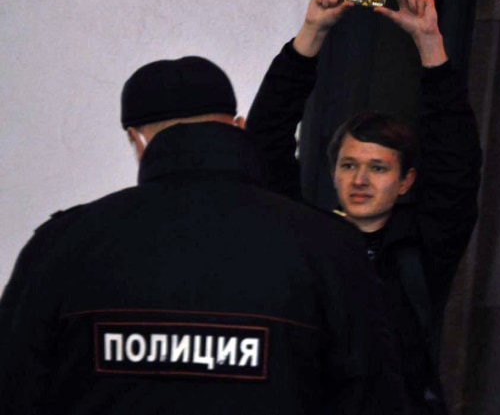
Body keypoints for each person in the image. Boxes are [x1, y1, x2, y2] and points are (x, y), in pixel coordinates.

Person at [0, 56, 403, 414]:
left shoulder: (63, 244)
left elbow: (14, 389)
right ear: (238, 127)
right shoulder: (327, 247)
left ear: (136, 140)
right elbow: (376, 396)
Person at [247, 0, 482, 414]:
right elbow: (265, 145)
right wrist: (312, 33)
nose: (360, 180)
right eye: (349, 165)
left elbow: (456, 165)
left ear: (406, 181)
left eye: (378, 168)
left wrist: (429, 42)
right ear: (333, 172)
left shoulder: (422, 248)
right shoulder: (309, 241)